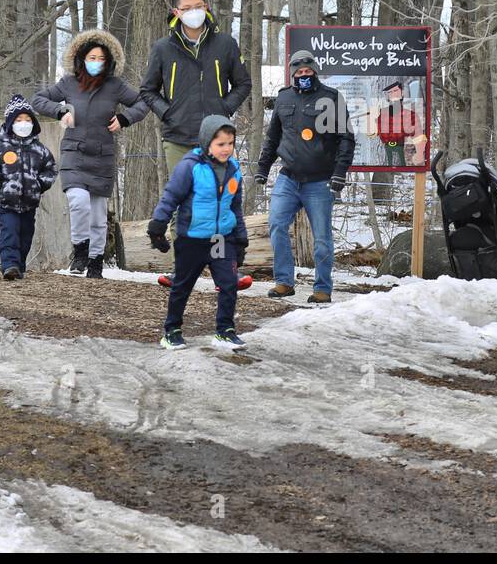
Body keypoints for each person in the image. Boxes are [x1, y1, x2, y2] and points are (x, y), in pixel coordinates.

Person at [32, 28, 150, 279]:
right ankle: (80, 253)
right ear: (81, 58)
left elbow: (143, 103)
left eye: (102, 59)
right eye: (92, 58)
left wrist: (124, 118)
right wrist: (60, 111)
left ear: (109, 62)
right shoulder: (68, 83)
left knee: (98, 215)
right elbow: (38, 100)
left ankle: (96, 262)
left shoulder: (115, 86)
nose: (97, 63)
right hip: (74, 153)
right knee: (78, 202)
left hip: (103, 155)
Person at [255, 50, 355, 304]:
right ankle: (284, 283)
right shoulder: (283, 97)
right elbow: (272, 138)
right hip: (288, 178)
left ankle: (322, 288)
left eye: (307, 71)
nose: (303, 75)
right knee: (277, 226)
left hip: (320, 181)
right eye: (298, 72)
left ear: (315, 71)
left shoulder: (331, 98)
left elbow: (346, 139)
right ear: (292, 74)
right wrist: (263, 168)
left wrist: (339, 174)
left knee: (322, 238)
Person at [148, 115, 249, 349]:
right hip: (192, 239)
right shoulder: (190, 167)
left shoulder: (234, 169)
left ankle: (225, 330)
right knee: (182, 285)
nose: (226, 149)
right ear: (206, 143)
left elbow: (235, 206)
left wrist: (241, 239)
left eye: (230, 143)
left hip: (221, 238)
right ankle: (172, 330)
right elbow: (171, 197)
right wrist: (157, 226)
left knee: (228, 284)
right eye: (220, 144)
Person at [139, 0, 252, 175]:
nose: (194, 12)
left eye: (198, 7)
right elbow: (147, 90)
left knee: (215, 197)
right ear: (177, 12)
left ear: (205, 7)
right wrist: (168, 113)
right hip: (177, 139)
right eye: (187, 8)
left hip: (217, 137)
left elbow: (243, 84)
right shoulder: (163, 48)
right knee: (182, 199)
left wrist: (223, 108)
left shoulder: (225, 44)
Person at [0, 95, 58, 281]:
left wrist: (39, 185)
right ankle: (9, 264)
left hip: (30, 203)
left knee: (25, 236)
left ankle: (19, 266)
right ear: (10, 123)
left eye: (27, 120)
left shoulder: (40, 150)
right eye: (18, 120)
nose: (23, 123)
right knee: (10, 232)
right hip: (6, 202)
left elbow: (50, 169)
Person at [376, 82, 421, 167]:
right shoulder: (382, 114)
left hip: (401, 147)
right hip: (387, 146)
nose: (393, 95)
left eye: (395, 91)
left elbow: (414, 133)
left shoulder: (410, 115)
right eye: (390, 92)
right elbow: (379, 131)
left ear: (402, 93)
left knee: (402, 163)